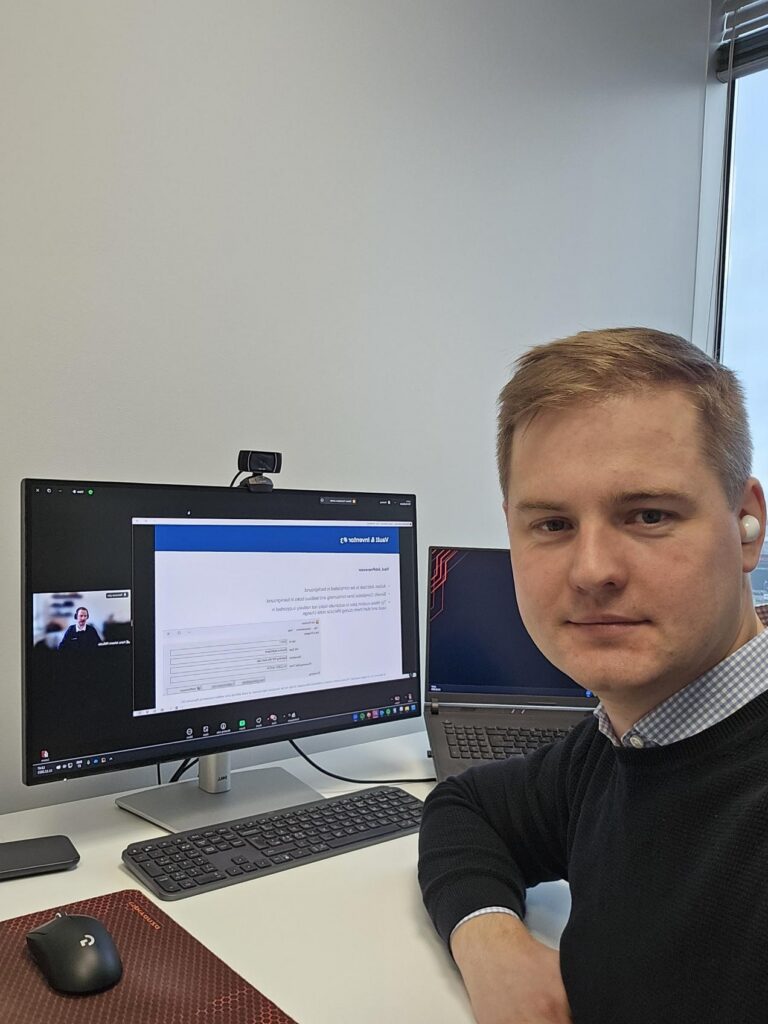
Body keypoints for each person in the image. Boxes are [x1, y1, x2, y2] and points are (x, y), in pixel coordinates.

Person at [418, 327, 768, 1024]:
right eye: (552, 524)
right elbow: (466, 809)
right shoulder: (622, 743)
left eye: (649, 515)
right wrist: (492, 941)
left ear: (746, 523)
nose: (592, 571)